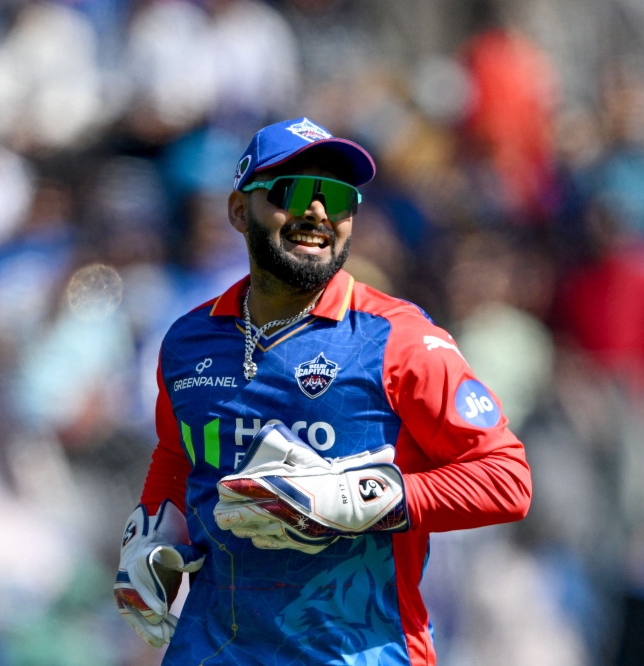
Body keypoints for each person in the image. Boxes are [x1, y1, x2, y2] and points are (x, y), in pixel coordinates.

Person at [113, 117, 533, 665]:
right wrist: (146, 536)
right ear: (240, 211)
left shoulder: (400, 338)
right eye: (294, 192)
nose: (317, 212)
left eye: (337, 198)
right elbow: (177, 454)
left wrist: (359, 499)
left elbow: (506, 480)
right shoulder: (189, 339)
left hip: (356, 653)